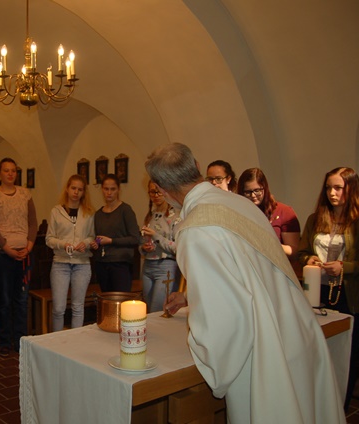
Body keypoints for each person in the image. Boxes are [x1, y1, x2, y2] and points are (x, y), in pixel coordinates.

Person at [146, 143, 345, 423]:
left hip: (266, 351)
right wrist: (192, 297)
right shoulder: (240, 203)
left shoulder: (193, 229)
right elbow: (251, 270)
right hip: (297, 328)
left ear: (162, 190)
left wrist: (210, 360)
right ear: (197, 168)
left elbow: (225, 321)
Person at [297, 167, 359, 411]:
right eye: (329, 187)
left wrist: (345, 267)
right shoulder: (315, 218)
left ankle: (339, 408)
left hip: (351, 298)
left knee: (345, 359)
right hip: (317, 294)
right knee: (315, 355)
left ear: (351, 189)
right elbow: (302, 252)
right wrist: (309, 260)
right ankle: (316, 405)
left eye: (338, 187)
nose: (332, 193)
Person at [0, 158, 37, 356]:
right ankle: (5, 341)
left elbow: (33, 223)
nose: (10, 174)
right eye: (6, 171)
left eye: (13, 171)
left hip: (24, 253)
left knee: (21, 299)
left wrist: (29, 246)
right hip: (1, 254)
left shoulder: (25, 193)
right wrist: (6, 248)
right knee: (4, 299)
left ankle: (21, 340)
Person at [45, 174, 95, 331]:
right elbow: (49, 238)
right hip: (61, 263)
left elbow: (92, 236)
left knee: (78, 307)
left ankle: (75, 344)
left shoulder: (89, 212)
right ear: (67, 189)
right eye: (73, 188)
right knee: (59, 308)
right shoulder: (56, 211)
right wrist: (62, 244)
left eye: (80, 190)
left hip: (82, 263)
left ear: (83, 192)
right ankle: (57, 343)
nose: (76, 192)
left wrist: (85, 243)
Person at [90, 174, 139, 292]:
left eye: (112, 189)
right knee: (106, 301)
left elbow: (135, 238)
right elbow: (98, 237)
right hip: (102, 263)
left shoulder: (125, 210)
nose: (109, 193)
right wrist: (95, 244)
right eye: (106, 189)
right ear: (102, 189)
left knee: (120, 301)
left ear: (118, 190)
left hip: (120, 263)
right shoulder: (98, 214)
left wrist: (111, 241)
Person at [237, 168, 301, 257]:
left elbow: (294, 250)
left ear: (265, 188)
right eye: (248, 192)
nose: (253, 195)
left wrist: (268, 244)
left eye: (257, 190)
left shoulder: (284, 211)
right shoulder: (239, 213)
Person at [139, 180, 181, 313]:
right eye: (152, 192)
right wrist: (144, 248)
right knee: (147, 308)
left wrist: (156, 236)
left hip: (166, 266)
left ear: (166, 191)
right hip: (148, 265)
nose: (156, 195)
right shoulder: (151, 215)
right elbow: (141, 243)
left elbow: (177, 247)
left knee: (158, 310)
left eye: (159, 192)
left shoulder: (175, 217)